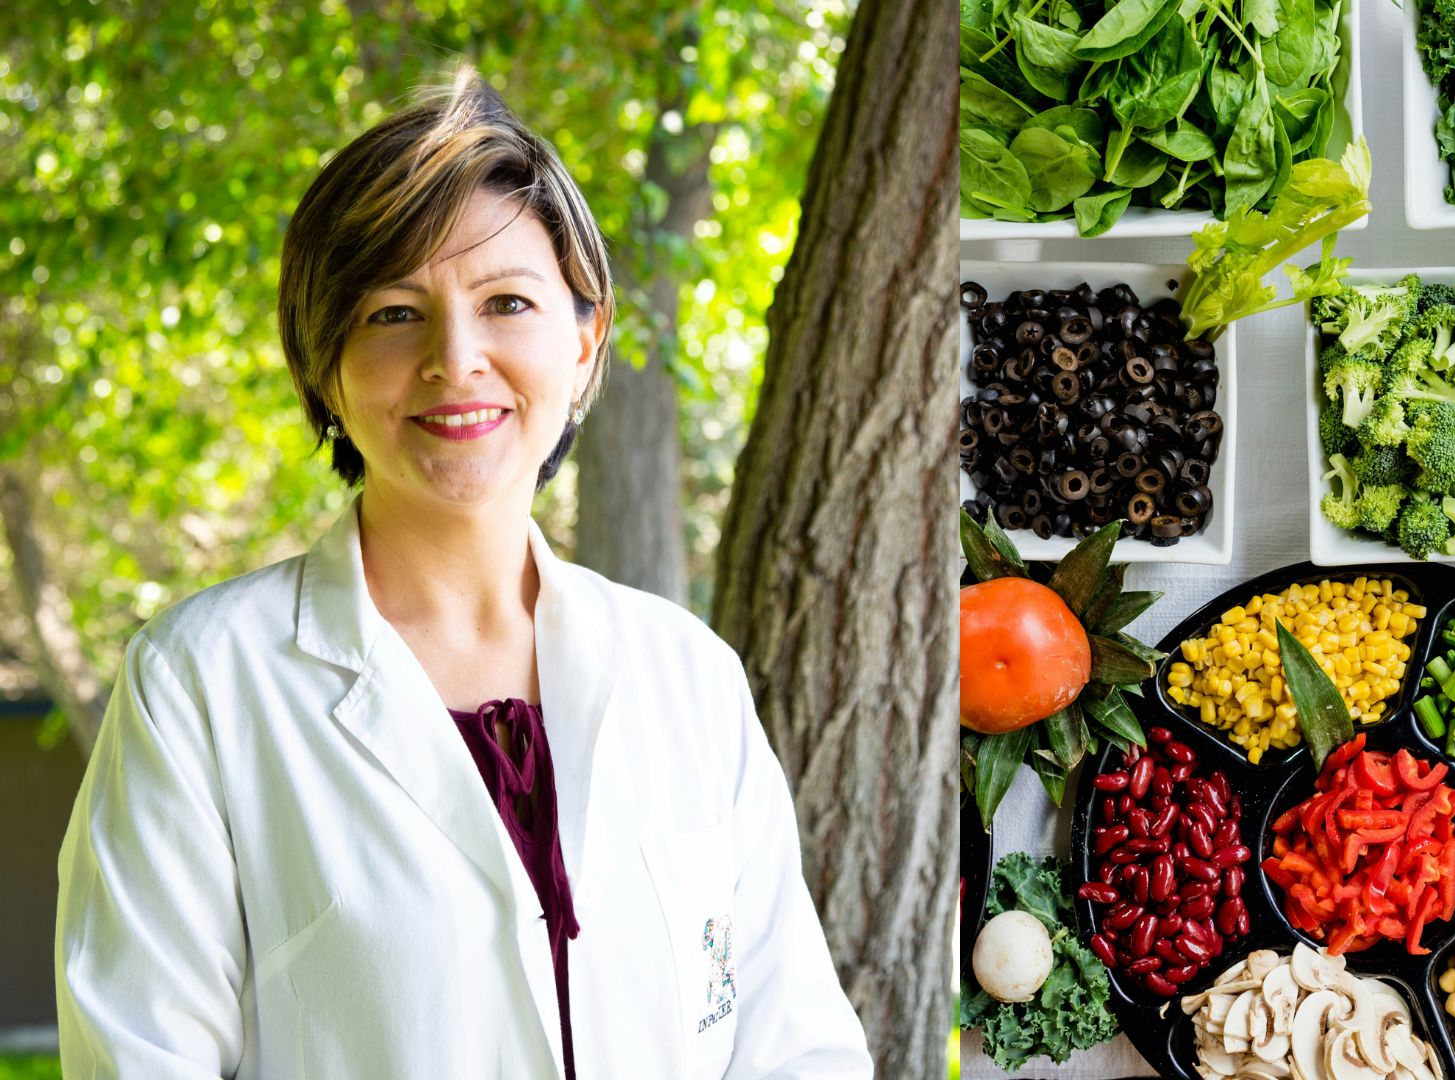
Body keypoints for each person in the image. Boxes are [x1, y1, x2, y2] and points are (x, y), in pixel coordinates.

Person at [53, 67, 872, 1080]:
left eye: (508, 302)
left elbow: (796, 1049)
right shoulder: (200, 687)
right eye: (395, 314)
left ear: (585, 342)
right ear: (325, 367)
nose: (456, 357)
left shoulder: (688, 676)